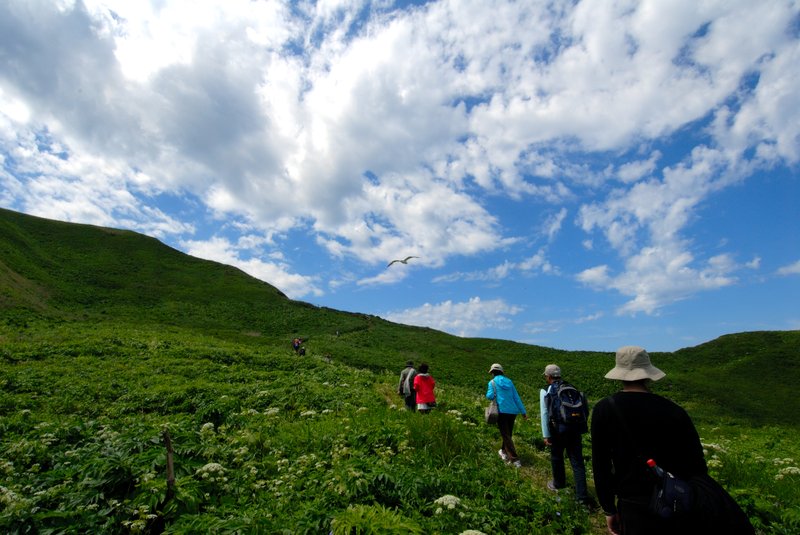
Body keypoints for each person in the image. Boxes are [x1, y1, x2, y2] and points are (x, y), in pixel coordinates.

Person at [591, 346, 708, 535]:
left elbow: (601, 464)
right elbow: (697, 465)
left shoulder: (604, 409)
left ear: (619, 373)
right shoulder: (674, 410)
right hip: (676, 501)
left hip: (632, 503)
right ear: (648, 373)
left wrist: (609, 509)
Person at [540, 364, 592, 505]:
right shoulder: (571, 388)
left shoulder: (546, 390)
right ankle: (582, 497)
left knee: (557, 457)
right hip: (575, 429)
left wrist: (546, 435)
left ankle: (558, 484)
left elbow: (545, 414)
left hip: (558, 430)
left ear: (549, 376)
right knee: (577, 462)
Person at [486, 363, 528, 467]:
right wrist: (523, 412)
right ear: (502, 372)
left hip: (502, 411)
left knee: (506, 435)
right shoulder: (509, 382)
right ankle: (503, 451)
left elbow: (489, 396)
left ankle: (514, 459)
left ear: (492, 373)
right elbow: (516, 397)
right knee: (508, 433)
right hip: (513, 411)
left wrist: (494, 394)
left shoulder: (492, 382)